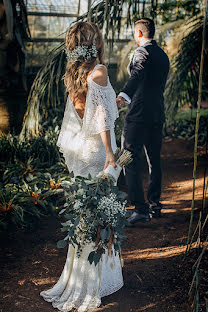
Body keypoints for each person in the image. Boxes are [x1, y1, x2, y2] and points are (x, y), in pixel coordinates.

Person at [40, 22, 123, 311]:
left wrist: (114, 105)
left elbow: (87, 111)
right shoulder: (98, 71)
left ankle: (83, 278)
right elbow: (101, 119)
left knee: (86, 216)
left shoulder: (74, 74)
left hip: (83, 151)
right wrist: (111, 155)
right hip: (98, 151)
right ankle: (91, 284)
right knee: (98, 214)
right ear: (94, 41)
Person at [116, 18, 169, 224]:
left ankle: (140, 209)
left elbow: (137, 74)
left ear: (138, 33)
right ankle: (155, 206)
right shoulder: (163, 55)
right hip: (157, 114)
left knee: (128, 159)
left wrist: (123, 97)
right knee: (154, 161)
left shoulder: (141, 52)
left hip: (138, 116)